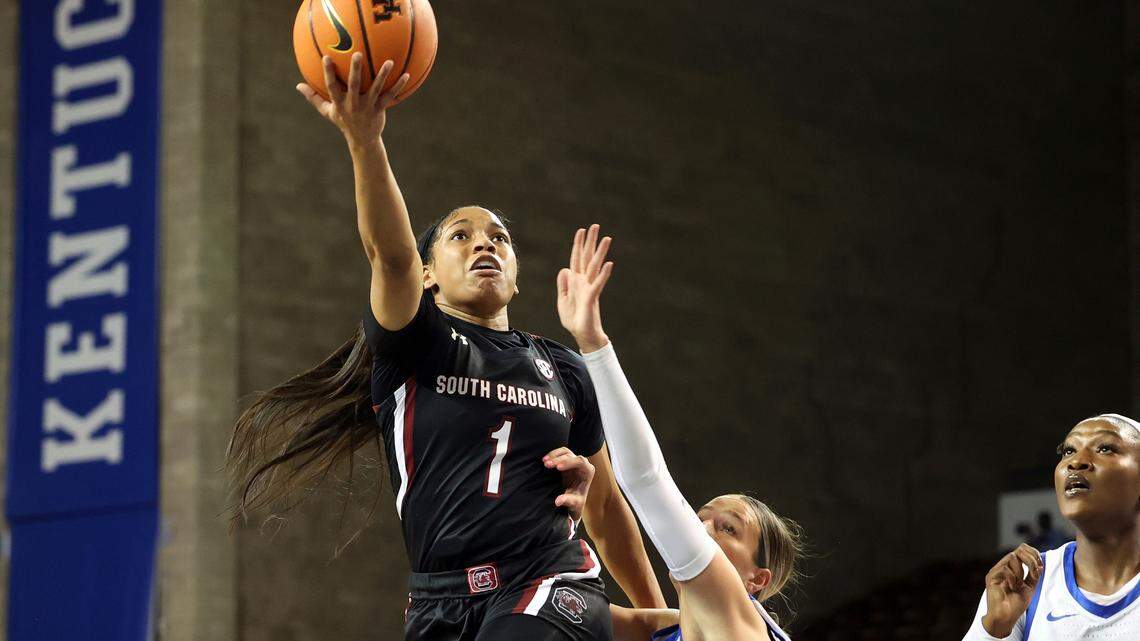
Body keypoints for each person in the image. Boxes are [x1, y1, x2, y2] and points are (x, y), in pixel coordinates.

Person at [226, 54, 664, 641]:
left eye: (500, 239)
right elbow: (390, 254)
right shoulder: (417, 345)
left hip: (546, 584)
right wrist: (365, 140)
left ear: (515, 276)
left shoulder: (561, 367)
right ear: (429, 275)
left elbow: (607, 511)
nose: (485, 244)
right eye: (461, 236)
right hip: (438, 601)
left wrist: (658, 622)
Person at [550, 225, 802, 641]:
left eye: (728, 529)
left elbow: (645, 481)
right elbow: (556, 608)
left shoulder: (740, 621)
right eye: (700, 518)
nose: (700, 529)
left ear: (757, 581)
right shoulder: (671, 630)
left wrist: (593, 345)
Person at [963, 413, 1140, 640]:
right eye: (1069, 451)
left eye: (1105, 448)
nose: (1076, 461)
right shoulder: (1024, 581)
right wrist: (995, 628)